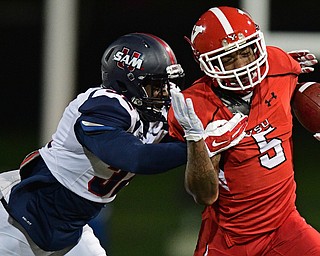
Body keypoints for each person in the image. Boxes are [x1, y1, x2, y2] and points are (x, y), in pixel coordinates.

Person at [0, 32, 187, 255]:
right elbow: (135, 157)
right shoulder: (105, 106)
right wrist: (198, 146)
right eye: (156, 86)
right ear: (127, 83)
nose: (164, 94)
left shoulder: (151, 117)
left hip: (69, 230)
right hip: (18, 218)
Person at [168, 6, 320, 256]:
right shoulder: (196, 106)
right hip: (231, 240)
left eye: (247, 52)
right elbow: (204, 195)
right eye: (228, 58)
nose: (242, 65)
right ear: (206, 63)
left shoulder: (279, 65)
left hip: (286, 226)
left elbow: (304, 95)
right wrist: (200, 144)